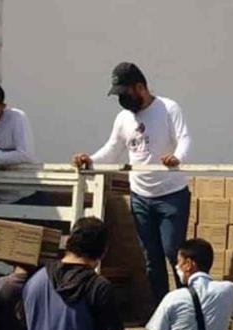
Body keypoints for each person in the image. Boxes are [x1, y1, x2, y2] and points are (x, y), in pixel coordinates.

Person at [73, 62, 192, 308]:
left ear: (140, 87)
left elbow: (184, 138)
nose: (122, 100)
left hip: (171, 194)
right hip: (140, 196)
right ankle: (162, 310)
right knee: (151, 258)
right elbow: (113, 149)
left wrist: (177, 158)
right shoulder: (123, 118)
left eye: (124, 93)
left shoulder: (168, 108)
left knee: (173, 252)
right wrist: (90, 161)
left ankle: (186, 308)